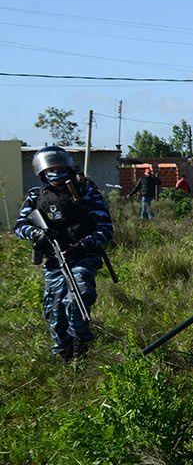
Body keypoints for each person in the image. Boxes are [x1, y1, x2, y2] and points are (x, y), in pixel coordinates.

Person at [14, 146, 113, 361]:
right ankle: (66, 356)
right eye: (51, 168)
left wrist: (81, 246)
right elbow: (19, 225)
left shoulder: (86, 192)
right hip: (54, 261)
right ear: (42, 171)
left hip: (83, 257)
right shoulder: (35, 195)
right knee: (55, 311)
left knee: (78, 298)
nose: (56, 172)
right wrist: (36, 233)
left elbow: (105, 229)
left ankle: (81, 343)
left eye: (60, 167)